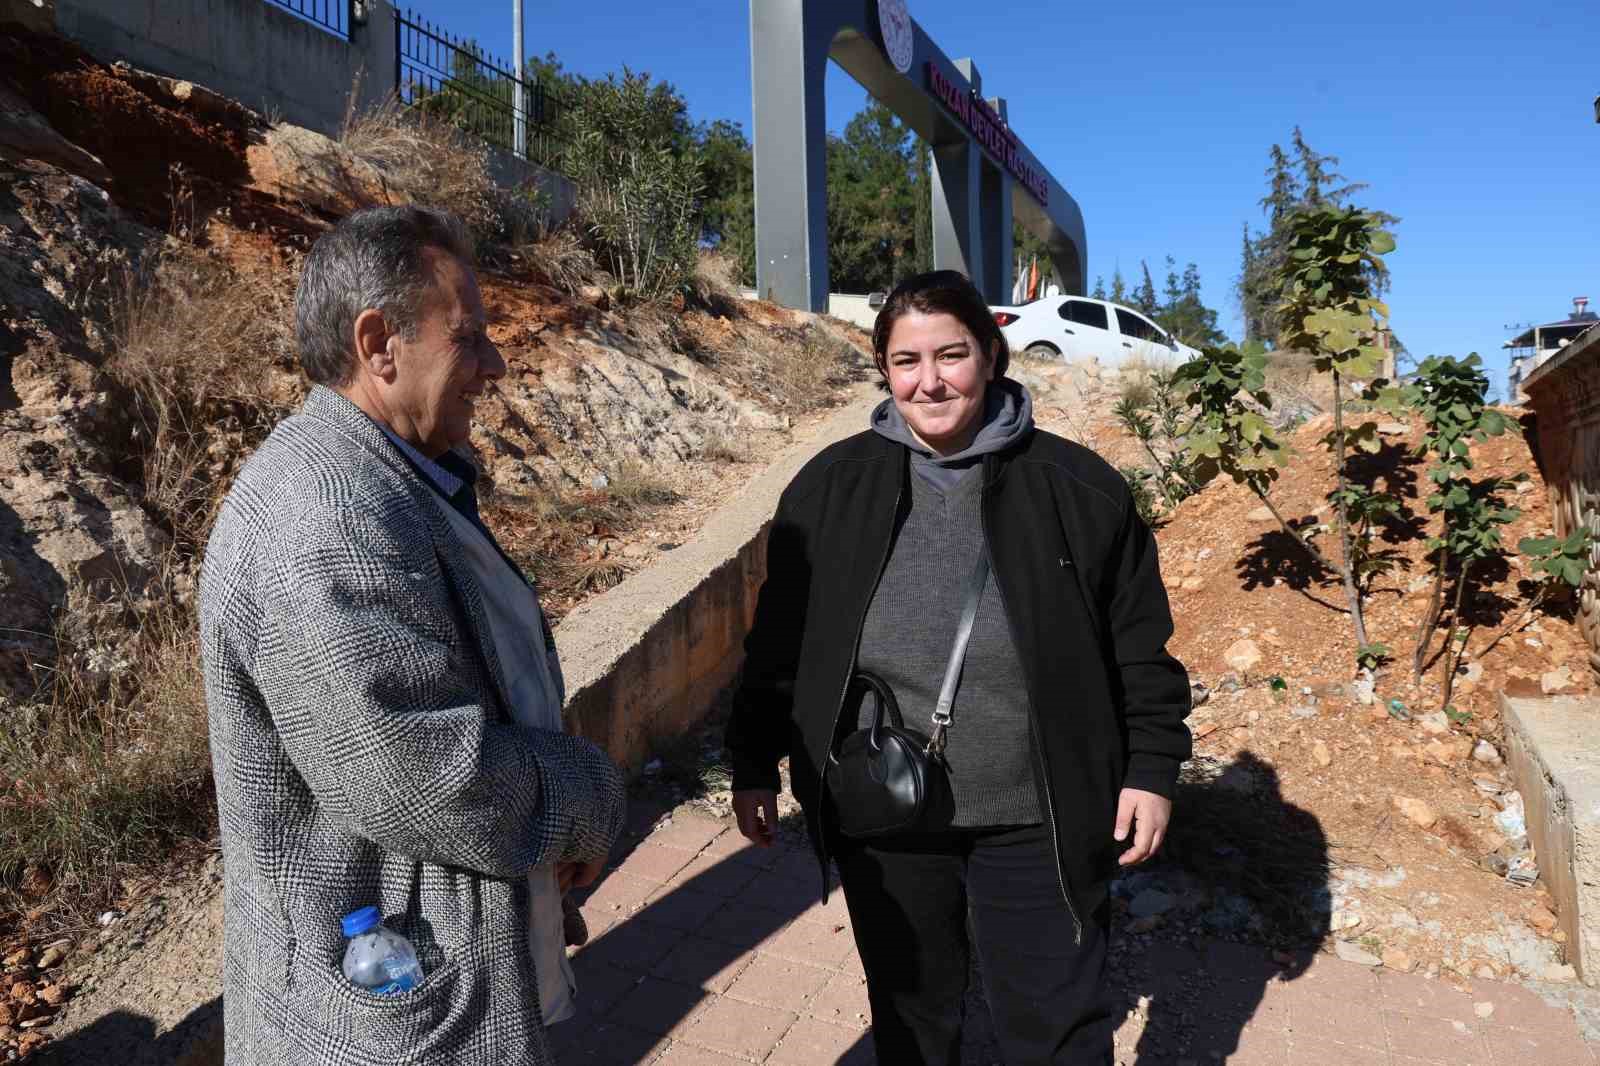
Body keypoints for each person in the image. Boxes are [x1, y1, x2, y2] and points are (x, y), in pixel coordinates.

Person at [726, 269, 1191, 1065]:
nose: (930, 381)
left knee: (1055, 1024)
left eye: (952, 355)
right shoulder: (830, 488)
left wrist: (1150, 767)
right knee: (912, 1017)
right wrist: (752, 763)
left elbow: (1139, 646)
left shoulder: (1079, 489)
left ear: (991, 356)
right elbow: (779, 643)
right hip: (886, 804)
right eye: (907, 361)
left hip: (1040, 810)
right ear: (882, 368)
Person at [200, 205, 625, 1065]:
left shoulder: (386, 476)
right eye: (468, 338)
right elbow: (420, 775)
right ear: (379, 343)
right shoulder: (326, 515)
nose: (495, 365)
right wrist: (586, 802)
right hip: (381, 1017)